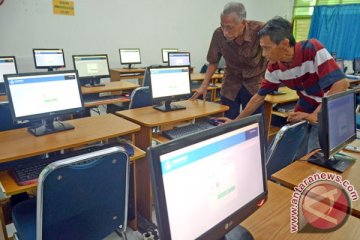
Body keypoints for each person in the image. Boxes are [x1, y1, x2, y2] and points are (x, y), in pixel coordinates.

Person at [218, 16, 349, 156]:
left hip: (329, 108)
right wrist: (235, 122)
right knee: (288, 147)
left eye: (267, 48)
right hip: (306, 106)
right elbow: (258, 97)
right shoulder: (274, 68)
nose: (264, 54)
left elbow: (341, 84)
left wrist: (315, 115)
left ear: (285, 44)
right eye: (262, 48)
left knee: (315, 152)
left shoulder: (312, 49)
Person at [190, 2, 267, 119]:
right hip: (231, 84)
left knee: (253, 123)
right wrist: (204, 86)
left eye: (229, 27)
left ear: (243, 23)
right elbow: (213, 61)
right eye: (222, 25)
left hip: (254, 84)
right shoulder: (218, 34)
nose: (225, 32)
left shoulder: (261, 30)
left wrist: (269, 83)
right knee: (227, 122)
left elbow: (272, 56)